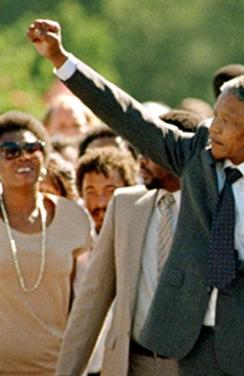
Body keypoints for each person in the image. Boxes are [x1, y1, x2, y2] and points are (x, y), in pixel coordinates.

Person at [29, 19, 244, 376]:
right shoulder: (196, 155)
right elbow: (129, 116)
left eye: (227, 121)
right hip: (189, 347)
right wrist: (61, 59)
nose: (214, 126)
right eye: (215, 114)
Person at [55, 110, 201, 376]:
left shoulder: (212, 210)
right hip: (131, 364)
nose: (140, 160)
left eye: (150, 150)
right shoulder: (125, 205)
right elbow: (92, 300)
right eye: (138, 150)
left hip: (194, 366)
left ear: (180, 152)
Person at [0, 111, 91, 374]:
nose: (23, 156)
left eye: (32, 148)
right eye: (10, 150)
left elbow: (82, 300)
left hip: (57, 366)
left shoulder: (73, 219)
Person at [76, 147, 138, 234]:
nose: (101, 203)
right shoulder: (78, 243)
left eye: (110, 191)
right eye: (91, 193)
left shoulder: (146, 238)